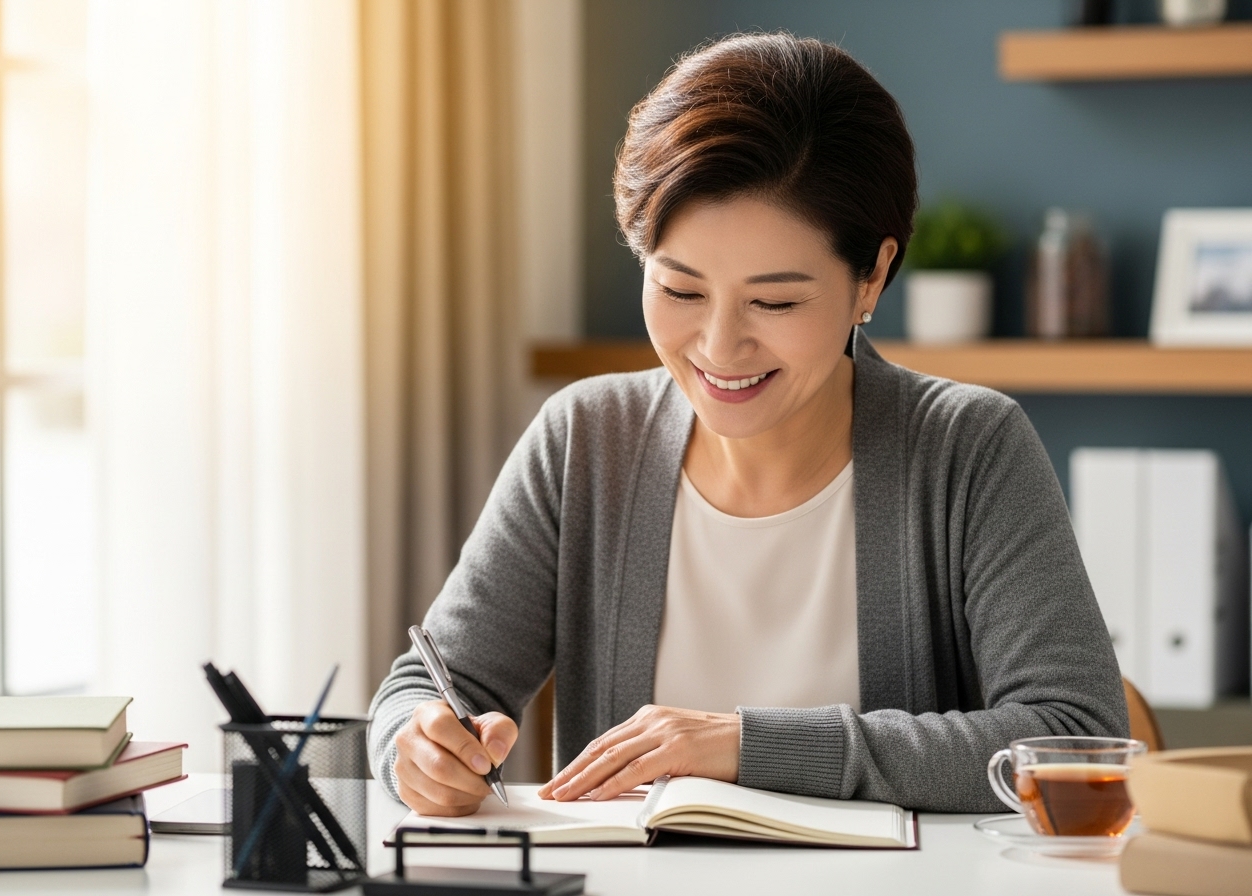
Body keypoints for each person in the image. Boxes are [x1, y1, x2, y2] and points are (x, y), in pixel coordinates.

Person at [368, 32, 1127, 818]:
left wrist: (741, 744)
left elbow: (1072, 736)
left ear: (872, 275)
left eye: (775, 301)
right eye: (681, 290)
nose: (719, 347)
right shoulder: (584, 440)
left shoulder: (968, 448)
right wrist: (415, 749)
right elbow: (426, 688)